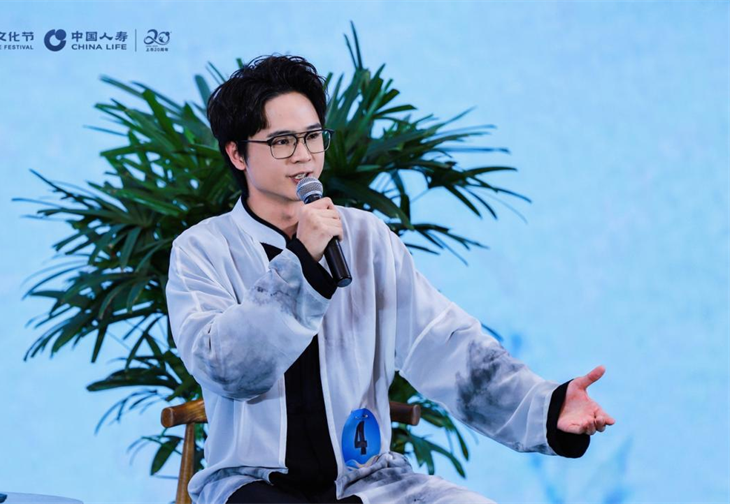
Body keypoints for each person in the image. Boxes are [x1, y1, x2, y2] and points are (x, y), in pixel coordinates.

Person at [165, 54, 615, 504]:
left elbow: (444, 343)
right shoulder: (202, 250)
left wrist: (547, 408)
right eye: (282, 141)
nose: (303, 155)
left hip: (367, 482)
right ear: (237, 153)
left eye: (312, 136)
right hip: (251, 485)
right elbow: (228, 369)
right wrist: (303, 262)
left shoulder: (366, 238)